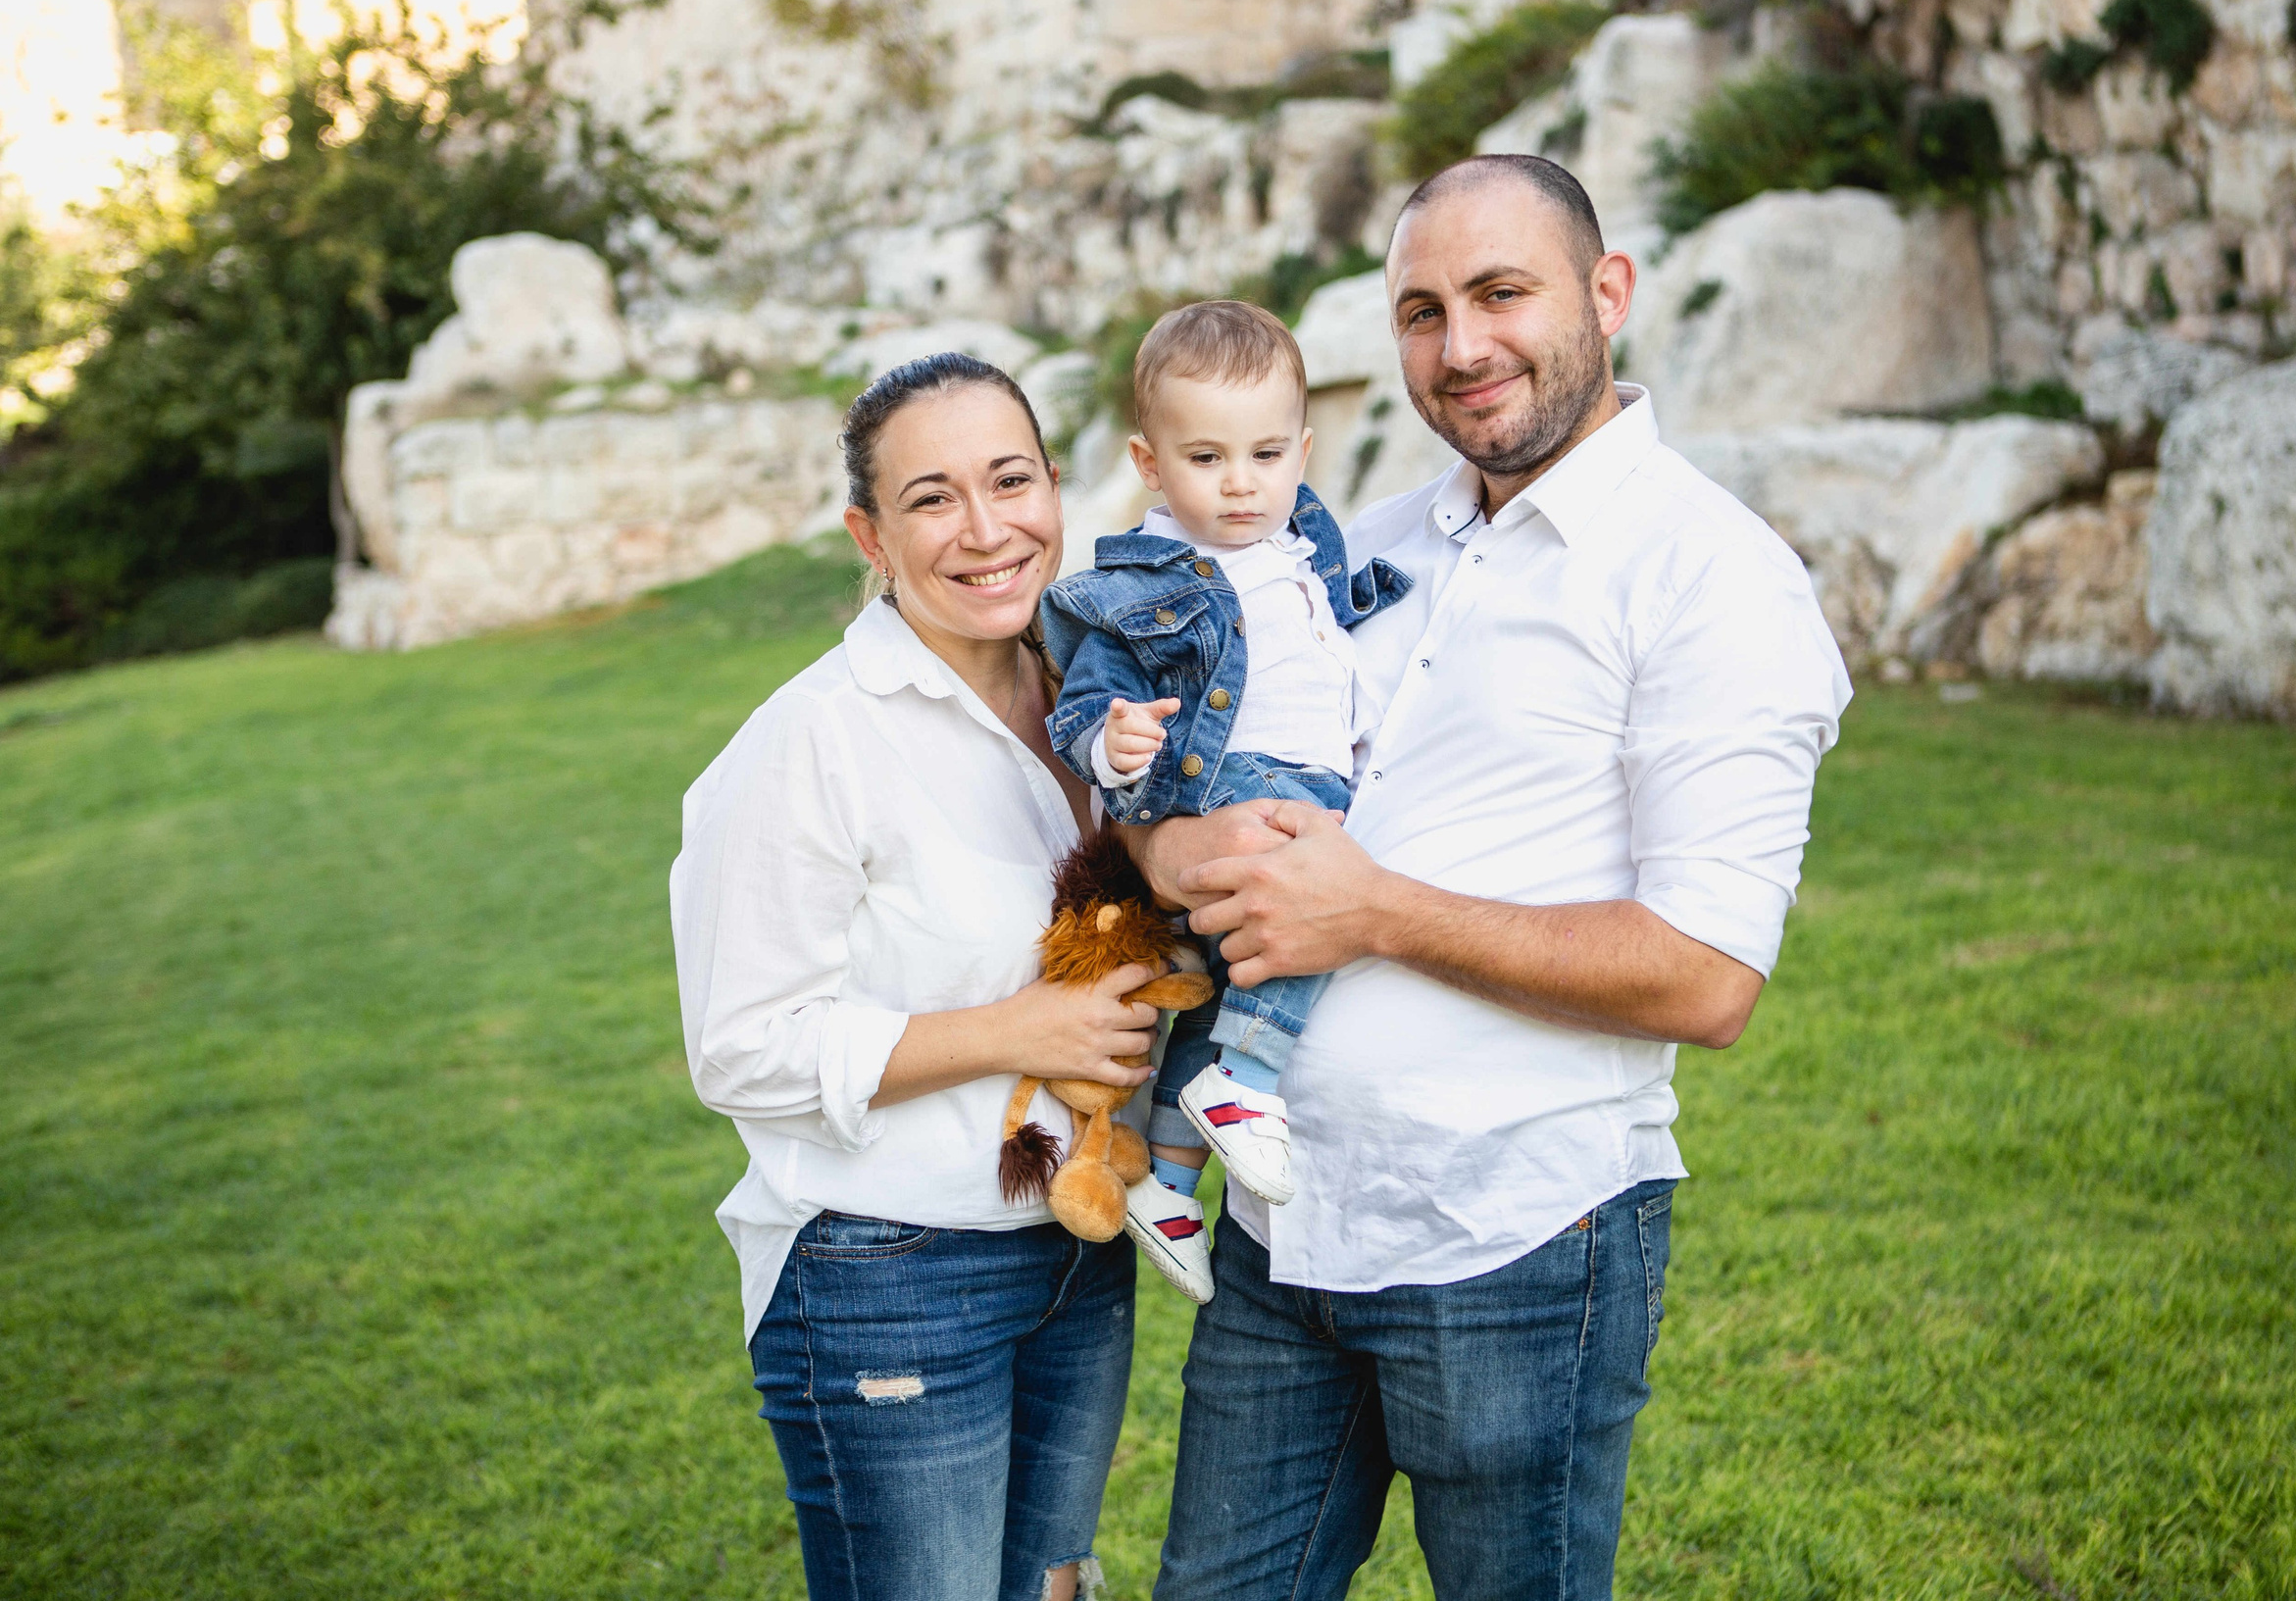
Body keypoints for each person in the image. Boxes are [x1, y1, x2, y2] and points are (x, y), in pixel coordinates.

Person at [1137, 155, 1856, 1599]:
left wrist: (1378, 911)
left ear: (1608, 293)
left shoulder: (1716, 579)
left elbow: (1708, 976)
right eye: (1419, 309)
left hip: (1518, 1242)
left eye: (1499, 293)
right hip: (1284, 1231)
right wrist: (1167, 843)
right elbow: (1200, 771)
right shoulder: (1359, 543)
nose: (1460, 346)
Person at [670, 353, 1162, 1601]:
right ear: (870, 536)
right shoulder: (813, 740)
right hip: (888, 1270)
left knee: (1052, 1589)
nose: (987, 530)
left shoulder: (1095, 701)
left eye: (1011, 480)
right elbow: (742, 1047)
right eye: (933, 499)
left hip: (1071, 1247)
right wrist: (1018, 1030)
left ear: (1058, 486)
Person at [1039, 299, 1411, 1304]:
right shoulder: (1149, 581)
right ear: (1150, 464)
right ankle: (1240, 1083)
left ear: (1302, 447)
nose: (1240, 483)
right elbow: (1083, 703)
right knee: (1306, 931)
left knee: (1235, 973)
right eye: (1205, 459)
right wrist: (1110, 746)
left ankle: (1164, 1179)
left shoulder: (1300, 547)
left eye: (1265, 453)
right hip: (1243, 786)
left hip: (1307, 777)